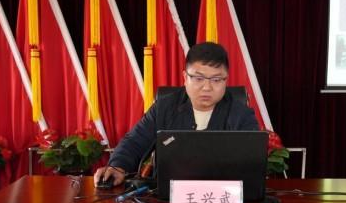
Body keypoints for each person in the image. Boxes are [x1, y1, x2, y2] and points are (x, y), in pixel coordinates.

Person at [94, 42, 259, 186]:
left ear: (226, 80)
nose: (207, 87)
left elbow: (251, 164)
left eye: (216, 80)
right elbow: (135, 142)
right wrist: (117, 166)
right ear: (185, 77)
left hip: (222, 199)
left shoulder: (242, 115)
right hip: (167, 198)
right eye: (198, 78)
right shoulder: (164, 108)